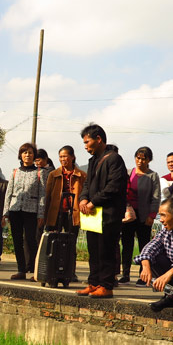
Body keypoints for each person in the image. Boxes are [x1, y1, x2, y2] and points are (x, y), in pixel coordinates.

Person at [77, 123, 128, 298]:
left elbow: (114, 187)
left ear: (98, 139)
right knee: (94, 251)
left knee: (106, 250)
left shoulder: (114, 159)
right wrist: (83, 199)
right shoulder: (93, 161)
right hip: (93, 215)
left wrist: (93, 202)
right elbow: (87, 184)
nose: (85, 146)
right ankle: (94, 282)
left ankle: (106, 285)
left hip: (108, 214)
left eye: (87, 142)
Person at [3, 142, 48, 280]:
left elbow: (42, 195)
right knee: (17, 241)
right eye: (24, 152)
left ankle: (35, 271)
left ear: (34, 155)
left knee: (31, 240)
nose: (27, 155)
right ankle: (21, 270)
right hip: (15, 209)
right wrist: (5, 213)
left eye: (30, 153)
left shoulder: (40, 173)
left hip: (31, 211)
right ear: (20, 155)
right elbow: (8, 193)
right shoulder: (15, 172)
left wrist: (41, 214)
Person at [119, 146, 161, 285]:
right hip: (128, 215)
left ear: (149, 160)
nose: (140, 161)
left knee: (144, 246)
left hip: (144, 215)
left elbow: (156, 197)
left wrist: (152, 215)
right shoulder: (128, 173)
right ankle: (125, 273)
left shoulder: (153, 176)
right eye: (138, 158)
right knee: (127, 244)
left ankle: (143, 275)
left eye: (144, 159)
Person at [44, 146, 87, 281]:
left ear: (72, 157)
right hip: (56, 213)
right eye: (60, 156)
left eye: (65, 156)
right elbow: (47, 196)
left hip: (73, 214)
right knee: (53, 243)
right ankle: (52, 271)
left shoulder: (81, 175)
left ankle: (70, 272)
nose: (62, 159)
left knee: (71, 244)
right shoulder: (53, 174)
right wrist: (45, 216)